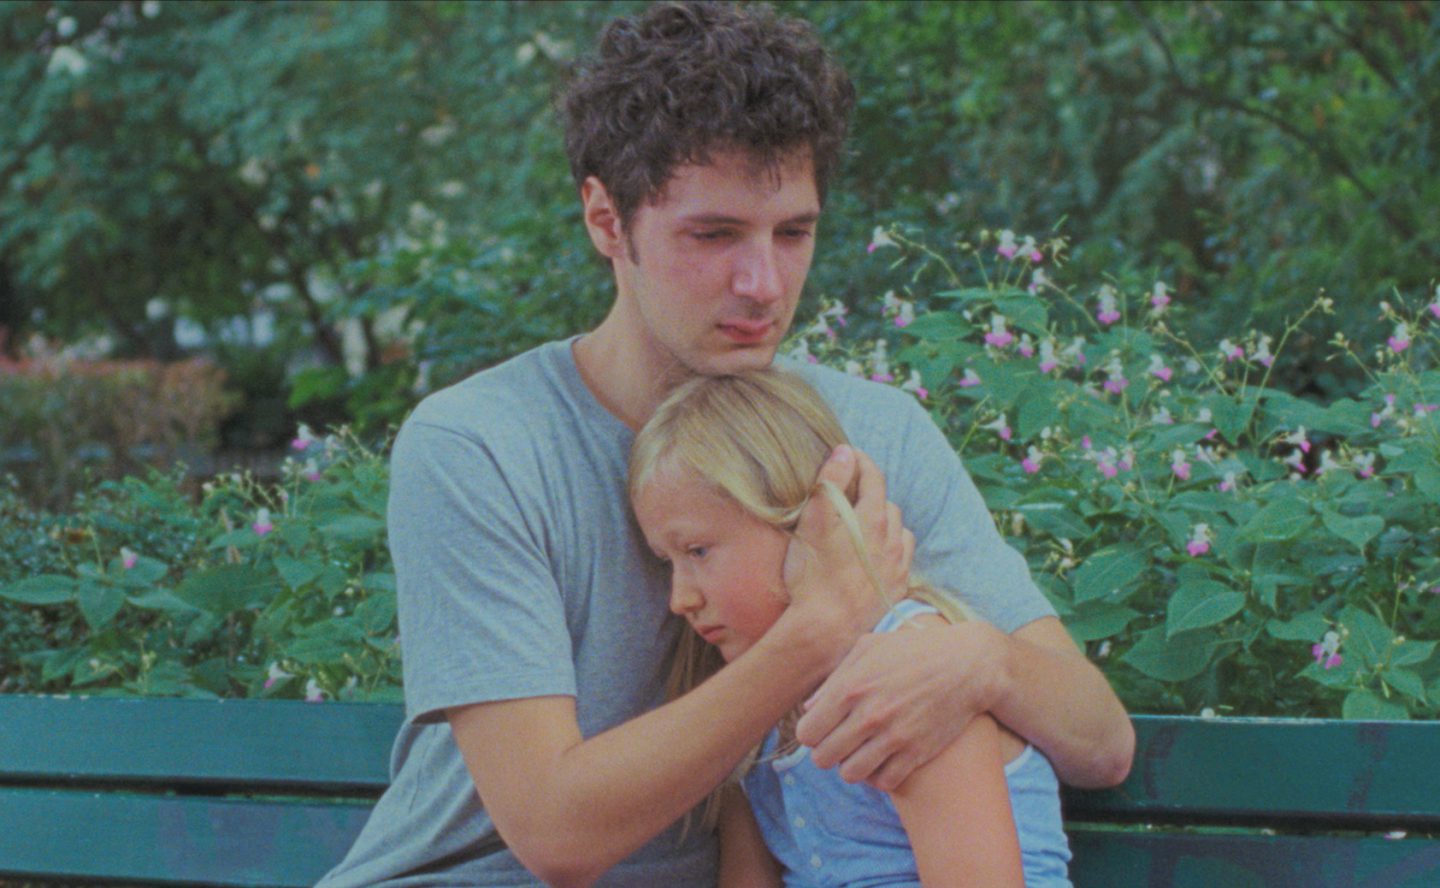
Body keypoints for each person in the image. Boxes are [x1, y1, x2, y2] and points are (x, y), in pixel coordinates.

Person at [319, 3, 1131, 885]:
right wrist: (818, 628)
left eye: (794, 233)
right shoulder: (481, 446)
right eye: (713, 235)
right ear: (606, 220)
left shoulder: (867, 433)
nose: (764, 283)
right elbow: (557, 835)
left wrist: (980, 662)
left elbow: (1101, 740)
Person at [629, 368, 1071, 887]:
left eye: (698, 551)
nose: (680, 598)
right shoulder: (753, 701)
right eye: (667, 562)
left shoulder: (913, 678)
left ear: (802, 520)